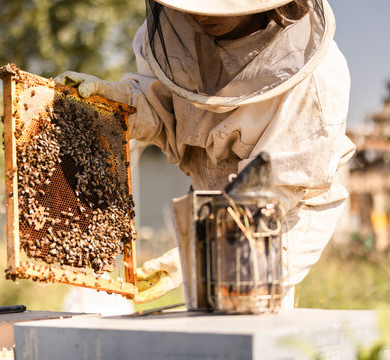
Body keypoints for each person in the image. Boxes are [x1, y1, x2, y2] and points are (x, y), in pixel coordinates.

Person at [55, 0, 355, 308]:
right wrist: (118, 103)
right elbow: (164, 111)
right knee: (206, 316)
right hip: (208, 203)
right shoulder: (175, 36)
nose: (198, 13)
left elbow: (275, 187)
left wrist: (199, 250)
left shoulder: (315, 77)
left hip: (279, 217)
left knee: (246, 305)